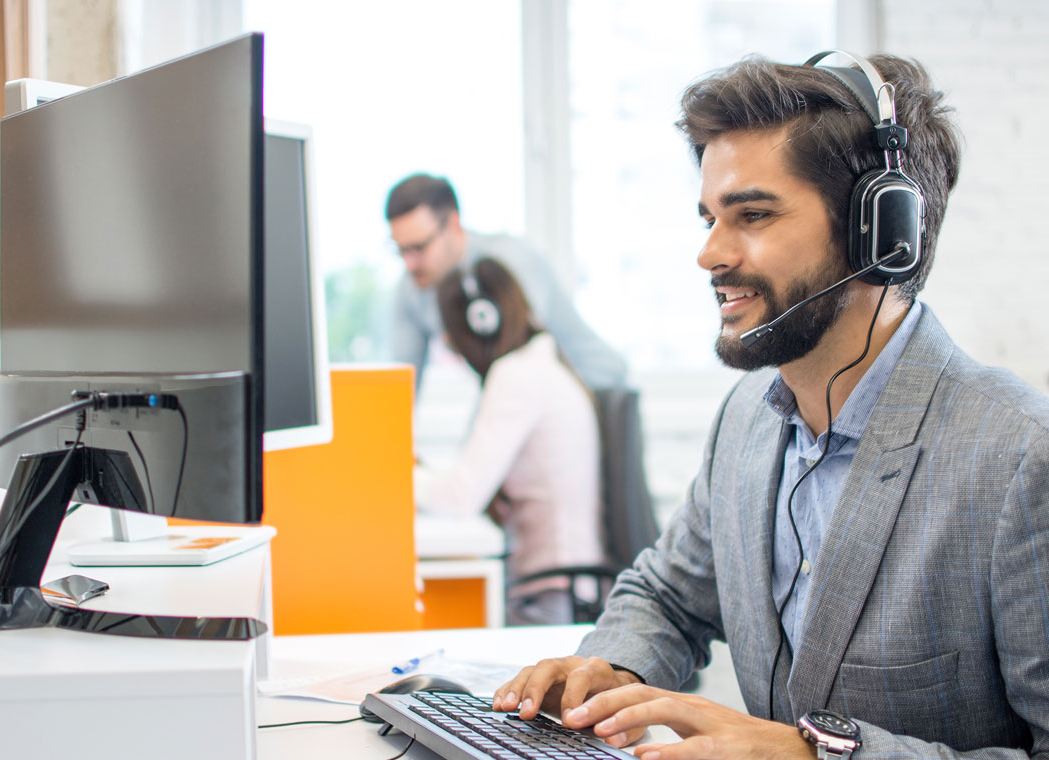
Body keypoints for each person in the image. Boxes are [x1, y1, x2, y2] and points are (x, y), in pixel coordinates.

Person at [491, 52, 1049, 759]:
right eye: (709, 217)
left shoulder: (1019, 458)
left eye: (752, 214)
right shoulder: (749, 417)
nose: (710, 253)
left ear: (880, 234)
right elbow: (670, 595)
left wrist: (815, 753)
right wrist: (612, 670)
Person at [413, 257, 605, 626]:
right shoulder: (537, 366)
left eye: (450, 335)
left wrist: (395, 479)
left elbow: (459, 498)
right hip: (557, 590)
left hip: (549, 600)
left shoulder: (518, 375)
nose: (451, 345)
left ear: (480, 323)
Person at [385, 173, 628, 391]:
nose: (409, 264)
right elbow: (400, 389)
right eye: (400, 250)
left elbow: (518, 372)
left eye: (419, 248)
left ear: (453, 224)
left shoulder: (508, 263)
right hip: (527, 399)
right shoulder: (412, 289)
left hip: (594, 388)